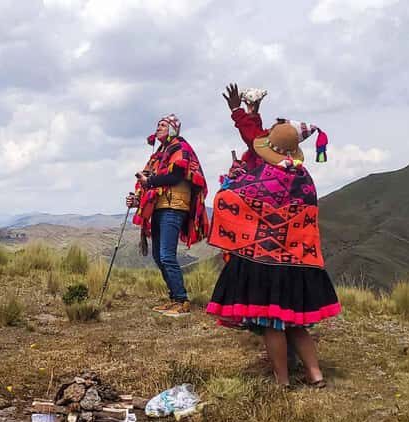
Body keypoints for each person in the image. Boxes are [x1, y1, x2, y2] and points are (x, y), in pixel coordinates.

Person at [206, 83, 340, 388]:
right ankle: (315, 374)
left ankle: (281, 380)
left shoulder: (262, 178)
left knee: (271, 324)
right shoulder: (305, 179)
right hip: (298, 261)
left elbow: (229, 200)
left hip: (264, 261)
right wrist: (246, 113)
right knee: (296, 323)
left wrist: (231, 181)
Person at [127, 114, 210, 317]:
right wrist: (137, 198)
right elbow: (150, 180)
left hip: (174, 206)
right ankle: (174, 298)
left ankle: (182, 300)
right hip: (158, 206)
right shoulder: (159, 154)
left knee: (166, 255)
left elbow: (175, 176)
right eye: (157, 125)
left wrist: (150, 181)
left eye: (163, 125)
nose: (158, 127)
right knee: (158, 256)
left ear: (173, 129)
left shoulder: (181, 149)